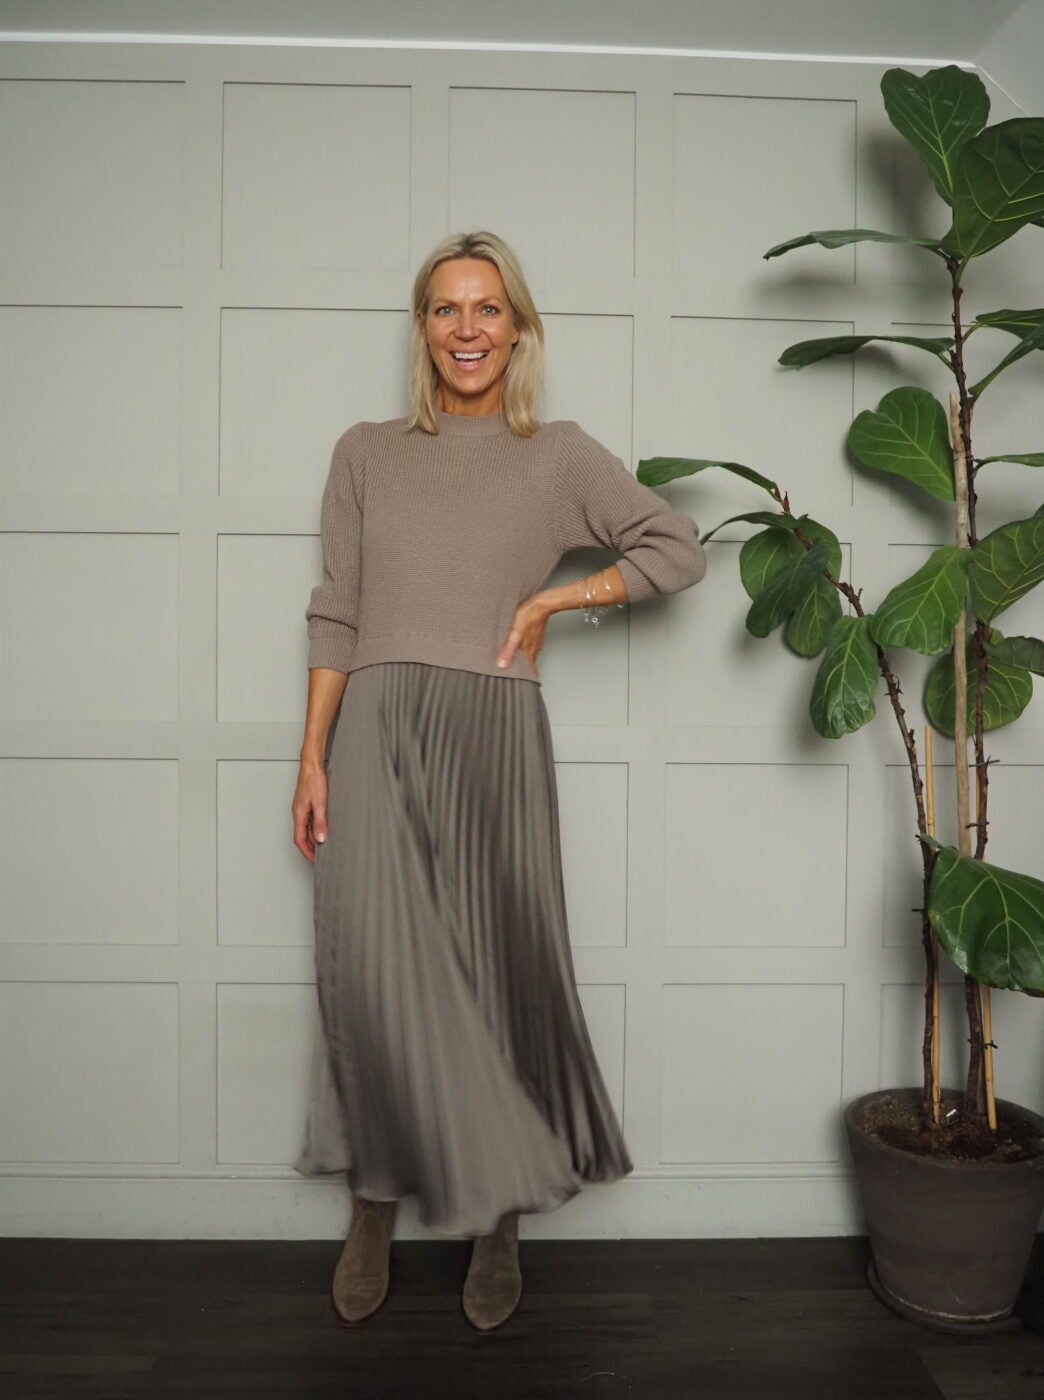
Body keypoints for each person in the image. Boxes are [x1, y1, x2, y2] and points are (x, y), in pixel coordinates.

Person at [290, 230, 707, 1333]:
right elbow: (337, 610)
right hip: (376, 727)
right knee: (373, 974)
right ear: (422, 327)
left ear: (518, 328)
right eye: (446, 309)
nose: (466, 329)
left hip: (492, 731)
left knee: (497, 965)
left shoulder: (556, 455)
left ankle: (501, 1217)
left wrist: (555, 600)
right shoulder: (366, 451)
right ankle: (374, 1200)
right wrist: (313, 756)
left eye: (487, 308)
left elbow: (676, 547)